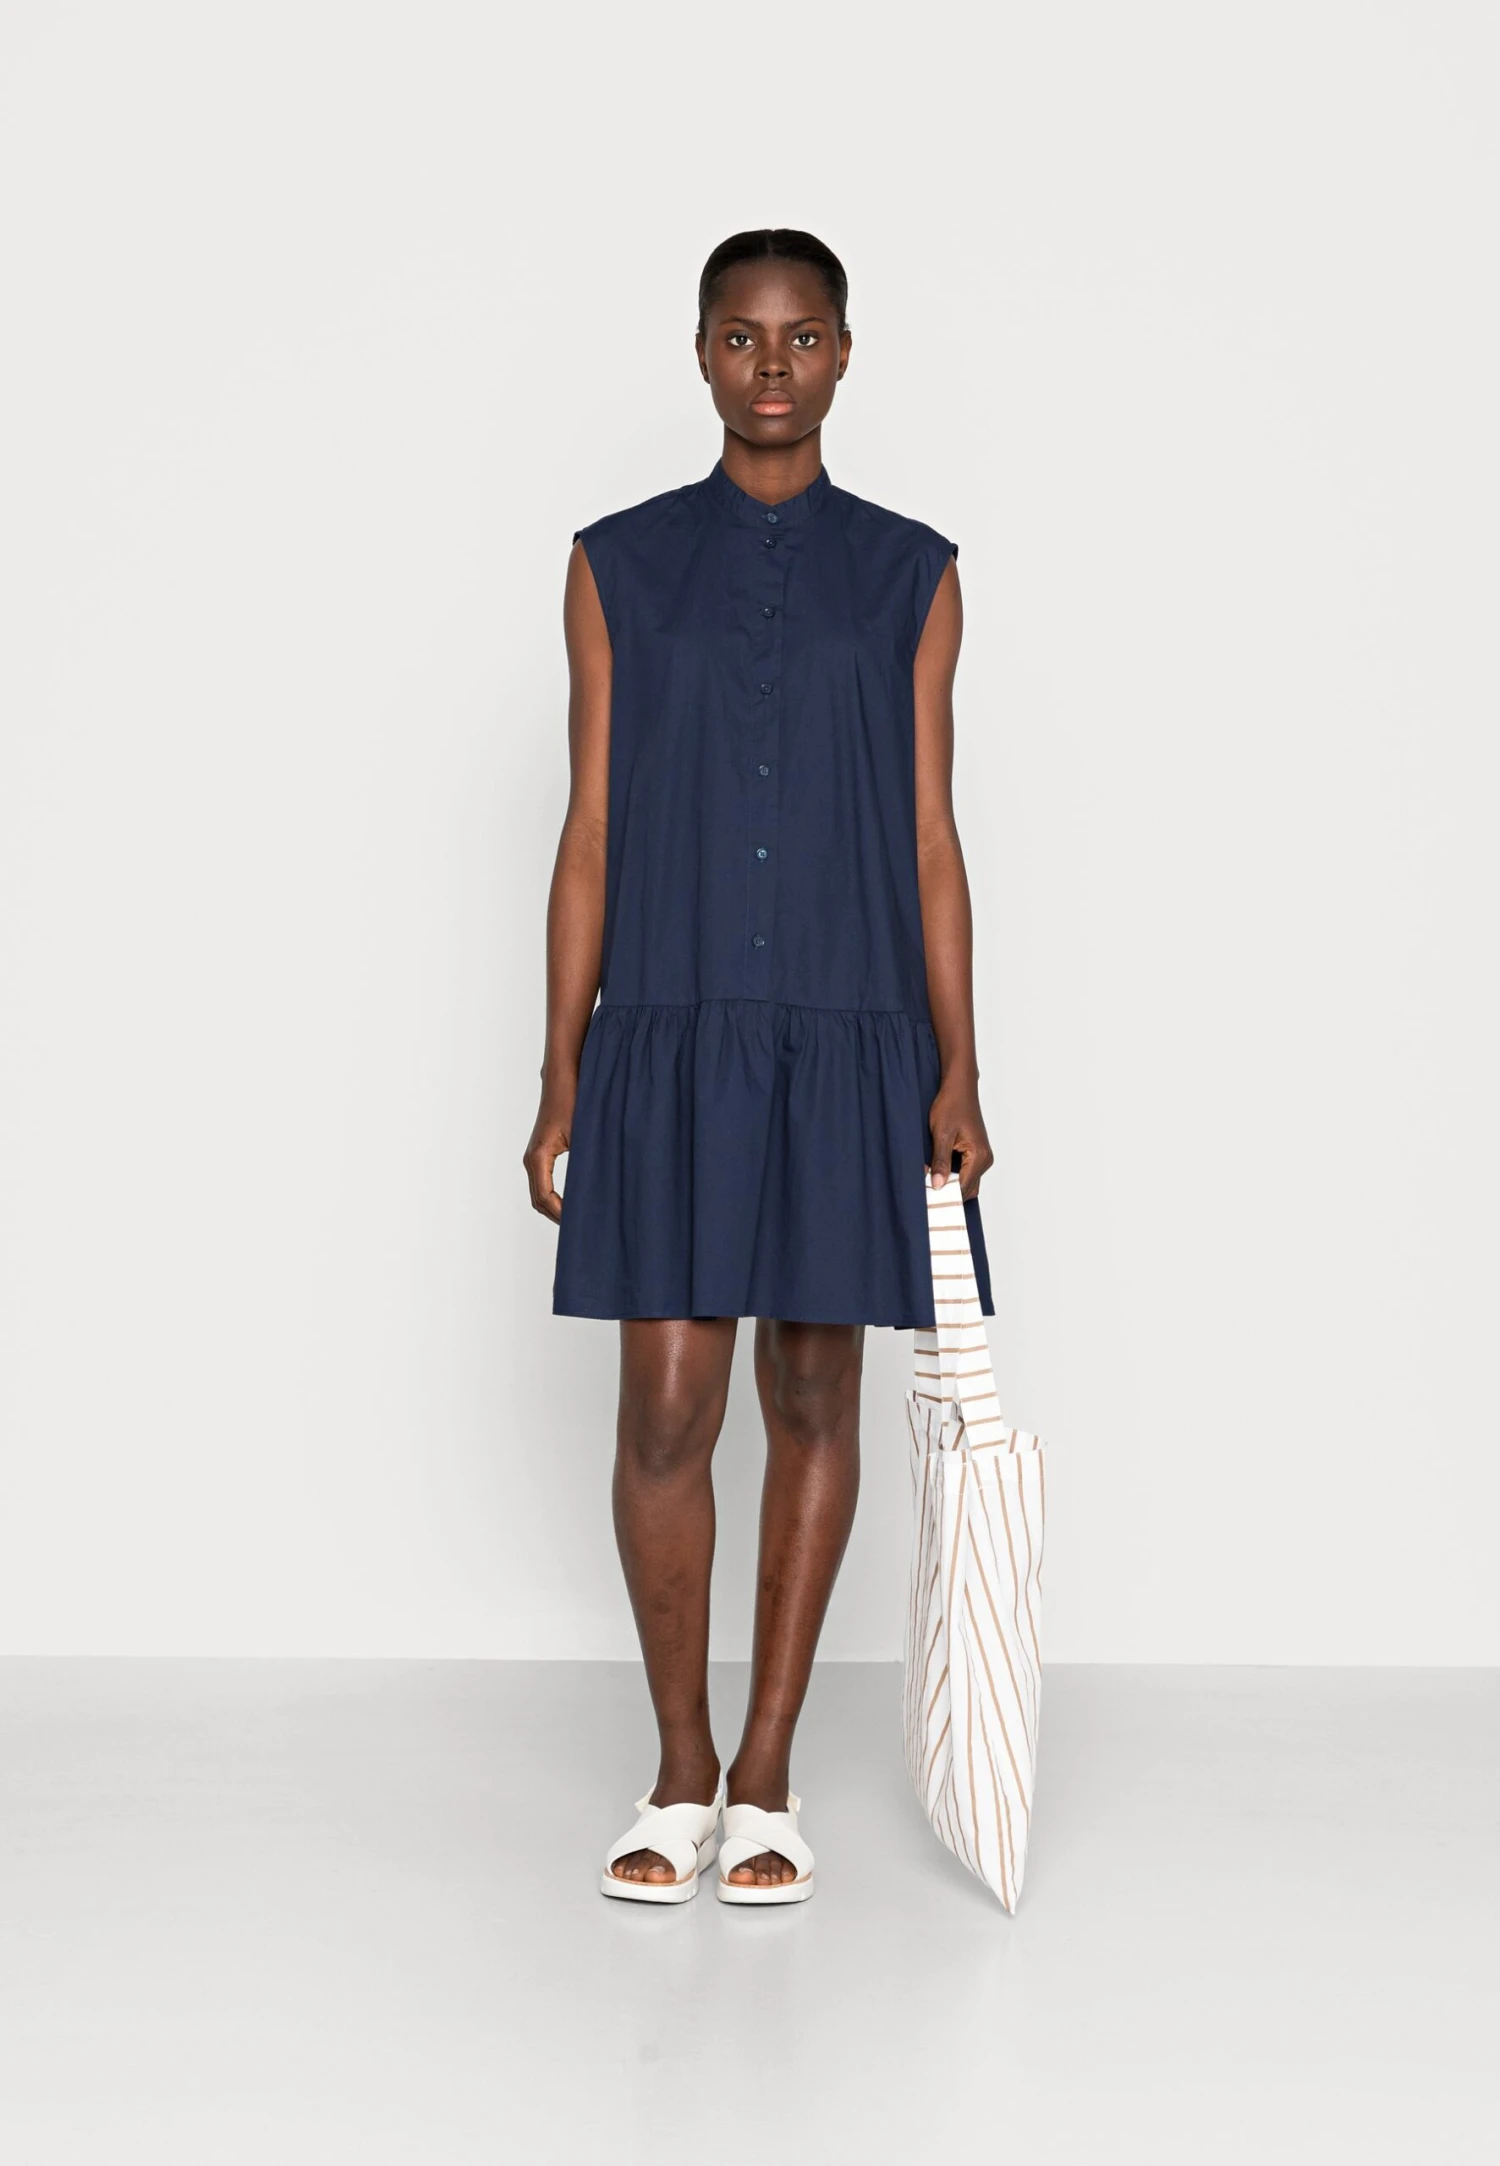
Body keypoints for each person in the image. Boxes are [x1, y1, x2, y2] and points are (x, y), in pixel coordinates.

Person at [524, 228, 996, 1906]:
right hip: (666, 1020)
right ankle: (678, 1768)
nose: (773, 365)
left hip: (851, 1025)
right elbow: (590, 826)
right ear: (702, 353)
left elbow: (930, 834)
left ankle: (770, 1772)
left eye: (802, 338)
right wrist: (562, 1069)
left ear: (846, 354)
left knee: (812, 1390)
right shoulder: (616, 565)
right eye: (742, 336)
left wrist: (959, 1065)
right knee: (668, 1400)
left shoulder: (916, 572)